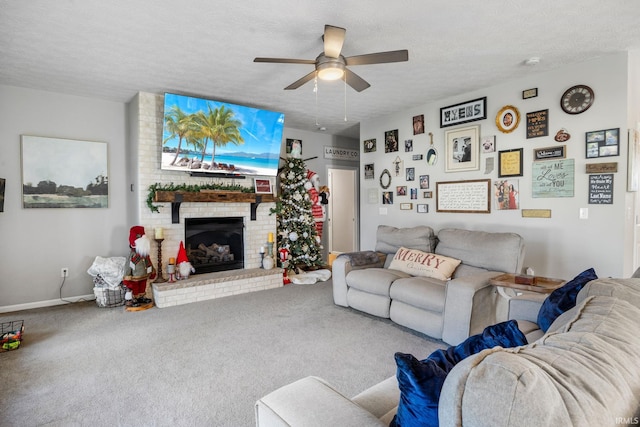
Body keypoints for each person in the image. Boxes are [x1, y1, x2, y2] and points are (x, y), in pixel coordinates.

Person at [123, 226, 156, 309]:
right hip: (135, 276)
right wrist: (127, 278)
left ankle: (141, 297)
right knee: (135, 288)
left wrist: (152, 271)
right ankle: (134, 299)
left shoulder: (145, 254)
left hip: (144, 275)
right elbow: (128, 266)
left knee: (142, 286)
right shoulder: (133, 255)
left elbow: (149, 262)